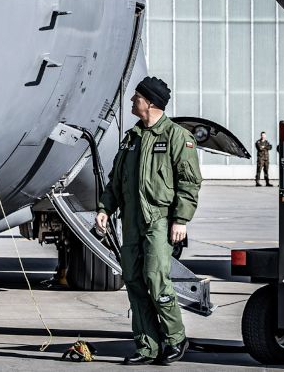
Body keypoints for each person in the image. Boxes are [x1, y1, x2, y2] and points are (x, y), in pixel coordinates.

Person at [95, 77, 202, 365]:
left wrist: (180, 220)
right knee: (133, 281)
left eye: (137, 97)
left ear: (151, 102)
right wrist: (105, 208)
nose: (132, 101)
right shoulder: (132, 138)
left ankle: (175, 338)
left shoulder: (177, 137)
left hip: (159, 220)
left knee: (156, 280)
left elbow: (189, 182)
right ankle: (147, 346)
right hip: (132, 222)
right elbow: (116, 181)